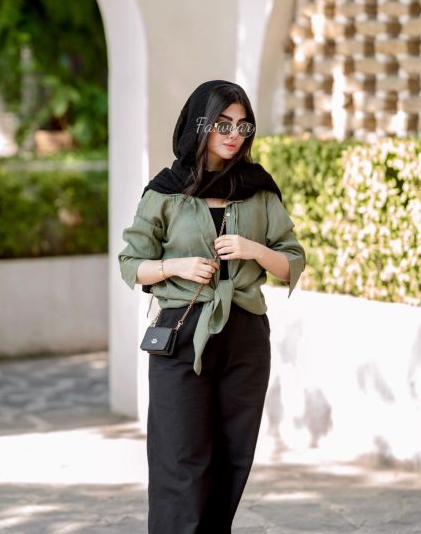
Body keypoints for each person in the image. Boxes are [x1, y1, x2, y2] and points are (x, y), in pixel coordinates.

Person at [118, 79, 306, 533]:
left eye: (243, 125)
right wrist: (175, 266)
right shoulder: (165, 191)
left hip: (244, 333)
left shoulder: (259, 190)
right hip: (182, 333)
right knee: (180, 458)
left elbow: (291, 262)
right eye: (223, 124)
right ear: (199, 124)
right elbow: (132, 264)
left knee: (232, 457)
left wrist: (252, 249)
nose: (234, 134)